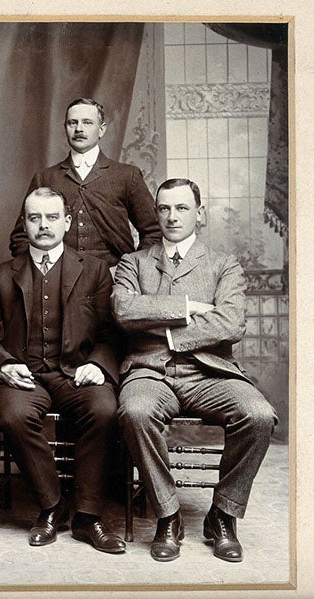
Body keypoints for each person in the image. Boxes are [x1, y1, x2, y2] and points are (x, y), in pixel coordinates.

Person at [112, 178, 277, 563]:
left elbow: (230, 324)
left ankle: (223, 515)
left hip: (210, 372)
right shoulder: (132, 263)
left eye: (182, 208)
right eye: (165, 208)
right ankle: (168, 515)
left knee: (258, 415)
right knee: (135, 412)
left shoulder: (224, 265)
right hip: (149, 371)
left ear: (199, 214)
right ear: (155, 214)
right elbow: (124, 311)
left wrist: (165, 331)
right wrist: (189, 306)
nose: (172, 217)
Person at [0, 187, 125, 553]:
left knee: (103, 409)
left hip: (76, 372)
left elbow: (111, 334)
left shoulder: (95, 271)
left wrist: (97, 364)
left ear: (67, 222)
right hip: (23, 374)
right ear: (24, 223)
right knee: (11, 415)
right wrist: (5, 364)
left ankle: (88, 516)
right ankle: (52, 504)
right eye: (34, 218)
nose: (43, 225)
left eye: (51, 217)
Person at [9, 98, 161, 267]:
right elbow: (20, 237)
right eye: (72, 123)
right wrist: (44, 270)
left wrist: (132, 270)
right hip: (59, 283)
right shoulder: (45, 178)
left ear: (101, 129)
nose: (79, 129)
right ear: (65, 128)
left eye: (87, 123)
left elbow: (153, 232)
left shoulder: (127, 175)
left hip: (114, 279)